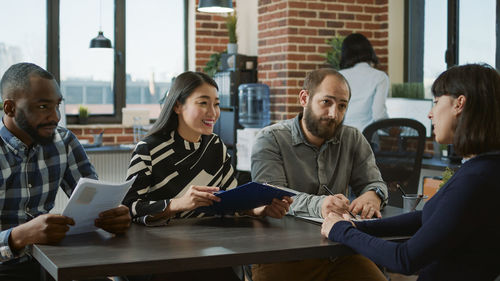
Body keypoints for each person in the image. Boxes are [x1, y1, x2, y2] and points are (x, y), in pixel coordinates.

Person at [321, 64, 500, 281]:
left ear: (459, 104)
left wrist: (341, 231)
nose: (430, 113)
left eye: (435, 103)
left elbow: (404, 259)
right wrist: (359, 227)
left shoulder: (475, 180)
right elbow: (426, 217)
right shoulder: (485, 169)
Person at [123, 71, 292, 281]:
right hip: (159, 254)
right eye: (203, 103)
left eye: (216, 104)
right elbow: (129, 207)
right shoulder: (148, 149)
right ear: (177, 106)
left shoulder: (215, 146)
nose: (213, 112)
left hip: (208, 249)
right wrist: (178, 204)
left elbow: (232, 198)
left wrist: (261, 209)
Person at [250, 68, 388, 281]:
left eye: (342, 106)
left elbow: (374, 182)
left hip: (338, 252)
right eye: (327, 102)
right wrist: (321, 205)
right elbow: (271, 195)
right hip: (282, 254)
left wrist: (374, 194)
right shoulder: (271, 139)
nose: (334, 114)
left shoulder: (352, 138)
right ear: (304, 98)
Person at [0, 62, 131, 281]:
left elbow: (93, 198)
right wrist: (18, 237)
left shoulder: (64, 141)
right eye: (43, 107)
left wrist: (113, 214)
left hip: (56, 260)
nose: (56, 116)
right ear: (10, 108)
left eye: (57, 105)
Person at [339, 33, 389, 131]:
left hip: (340, 140)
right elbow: (379, 115)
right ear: (369, 51)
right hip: (366, 140)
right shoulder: (380, 77)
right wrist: (392, 129)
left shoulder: (337, 76)